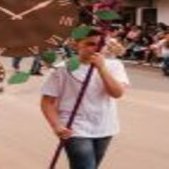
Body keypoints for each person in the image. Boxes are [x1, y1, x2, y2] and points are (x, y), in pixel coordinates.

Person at [40, 29, 130, 169]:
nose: (96, 48)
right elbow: (47, 102)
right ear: (76, 45)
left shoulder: (114, 66)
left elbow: (117, 93)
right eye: (90, 44)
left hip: (105, 126)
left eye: (101, 44)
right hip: (74, 127)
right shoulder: (62, 70)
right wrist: (57, 126)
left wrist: (102, 68)